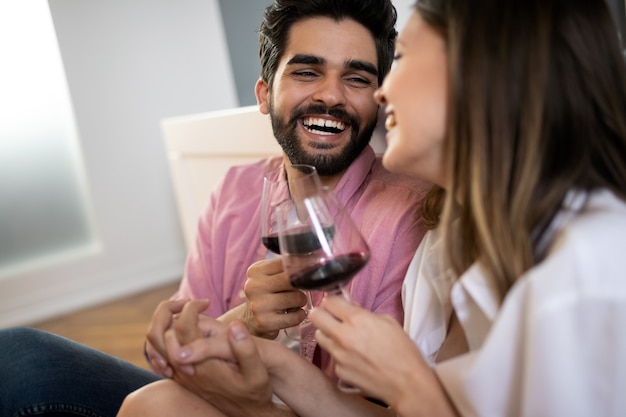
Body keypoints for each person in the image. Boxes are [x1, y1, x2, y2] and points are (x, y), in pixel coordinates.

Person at [117, 0, 626, 416]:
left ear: (479, 78)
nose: (381, 93)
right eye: (308, 72)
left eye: (393, 62)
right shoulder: (451, 240)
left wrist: (264, 409)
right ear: (264, 93)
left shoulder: (585, 275)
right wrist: (250, 338)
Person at [0, 0, 430, 416]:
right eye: (306, 71)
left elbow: (390, 405)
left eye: (356, 78)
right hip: (202, 397)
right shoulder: (237, 190)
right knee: (18, 353)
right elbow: (167, 351)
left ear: (379, 100)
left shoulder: (411, 217)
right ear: (265, 94)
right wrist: (247, 319)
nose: (331, 95)